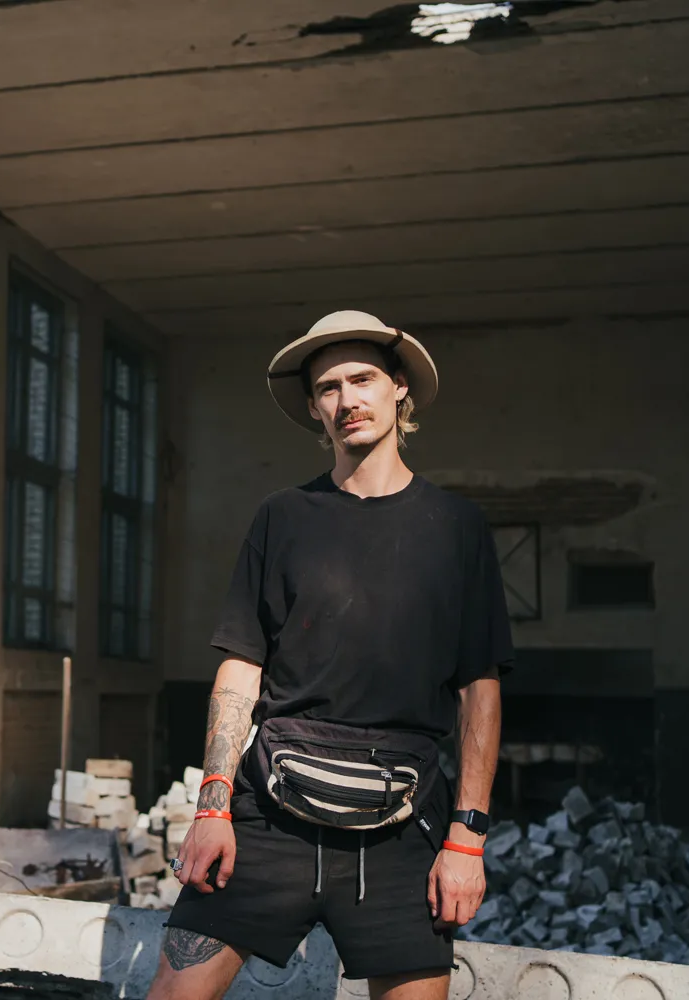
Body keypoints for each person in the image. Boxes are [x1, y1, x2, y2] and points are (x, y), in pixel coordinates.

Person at [146, 310, 512, 1000]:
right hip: (270, 813)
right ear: (314, 407)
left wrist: (468, 839)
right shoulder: (281, 517)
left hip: (405, 822)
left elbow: (480, 688)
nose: (348, 399)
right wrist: (211, 808)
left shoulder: (457, 528)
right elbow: (241, 666)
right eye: (328, 387)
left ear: (399, 387)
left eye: (363, 378)